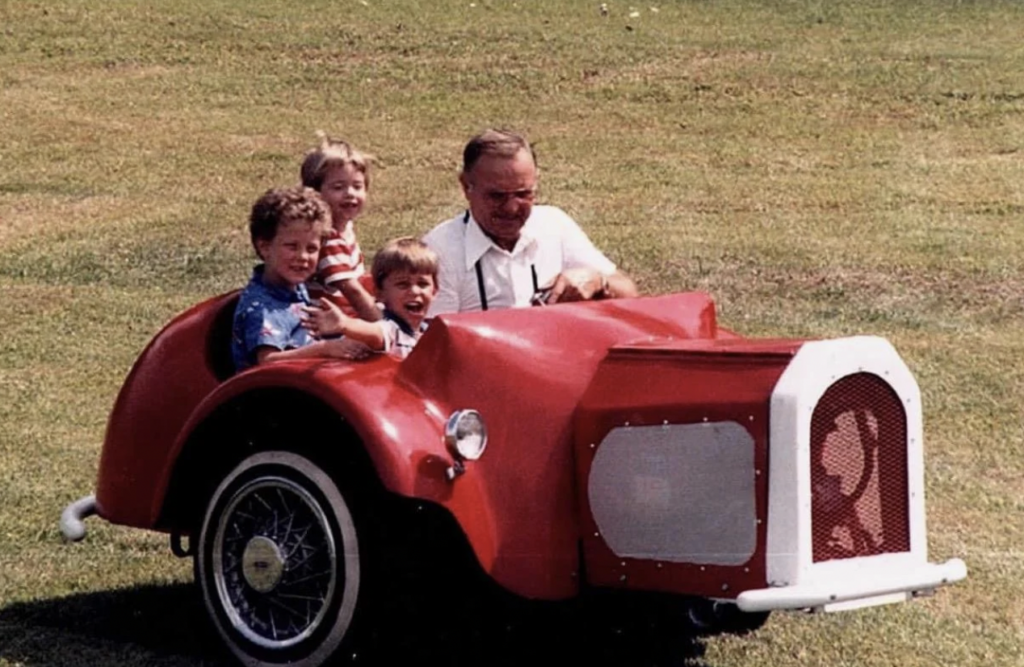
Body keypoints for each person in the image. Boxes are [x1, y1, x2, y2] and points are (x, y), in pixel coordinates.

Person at [422, 128, 638, 315]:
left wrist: (598, 280)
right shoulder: (440, 252)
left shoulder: (554, 225)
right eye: (497, 196)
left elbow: (630, 296)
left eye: (523, 194)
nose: (511, 208)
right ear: (466, 186)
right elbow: (431, 346)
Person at [231, 186, 369, 371]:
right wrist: (325, 349)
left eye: (311, 249)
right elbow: (268, 361)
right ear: (264, 247)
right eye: (292, 246)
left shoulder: (294, 288)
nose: (303, 257)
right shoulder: (263, 308)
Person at [304, 237, 438, 359]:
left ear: (435, 289)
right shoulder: (391, 329)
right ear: (380, 293)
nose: (414, 291)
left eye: (423, 284)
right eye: (402, 284)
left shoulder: (428, 330)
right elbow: (374, 332)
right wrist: (345, 324)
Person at [300, 131, 381, 322]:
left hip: (344, 315)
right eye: (338, 187)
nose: (350, 193)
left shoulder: (346, 228)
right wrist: (383, 326)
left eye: (357, 186)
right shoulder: (328, 239)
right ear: (315, 193)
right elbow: (352, 291)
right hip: (327, 324)